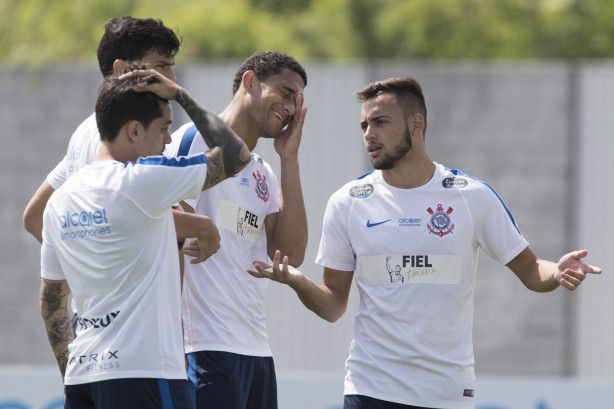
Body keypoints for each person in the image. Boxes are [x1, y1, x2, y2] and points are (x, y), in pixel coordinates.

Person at [248, 77, 603, 409]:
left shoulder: (470, 197)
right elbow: (333, 304)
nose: (369, 134)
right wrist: (297, 281)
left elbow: (530, 269)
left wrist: (557, 271)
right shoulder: (348, 202)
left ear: (416, 125)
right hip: (370, 388)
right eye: (364, 126)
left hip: (446, 393)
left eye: (381, 122)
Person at [40, 70, 250, 408]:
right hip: (146, 375)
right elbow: (235, 155)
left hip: (83, 381)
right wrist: (180, 94)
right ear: (134, 130)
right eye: (164, 128)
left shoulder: (60, 201)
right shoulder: (141, 180)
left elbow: (50, 300)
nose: (168, 141)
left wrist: (74, 375)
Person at [164, 51, 309, 409]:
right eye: (286, 92)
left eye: (298, 101)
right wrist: (173, 350)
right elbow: (163, 236)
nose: (291, 108)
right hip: (204, 348)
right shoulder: (192, 142)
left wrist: (288, 159)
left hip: (257, 352)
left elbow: (288, 256)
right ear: (250, 82)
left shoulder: (264, 171)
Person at [23, 16, 220, 260]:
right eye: (161, 66)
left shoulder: (87, 130)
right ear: (122, 70)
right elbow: (121, 207)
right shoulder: (125, 138)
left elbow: (33, 215)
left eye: (171, 65)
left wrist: (73, 269)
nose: (172, 78)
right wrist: (201, 226)